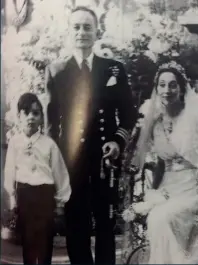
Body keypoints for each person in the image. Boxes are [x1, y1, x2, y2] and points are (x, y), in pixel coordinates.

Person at [44, 6, 136, 264]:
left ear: (97, 32)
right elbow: (52, 124)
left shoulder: (113, 69)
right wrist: (54, 166)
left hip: (105, 162)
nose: (82, 32)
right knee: (77, 227)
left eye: (87, 27)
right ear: (69, 32)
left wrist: (117, 141)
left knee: (106, 225)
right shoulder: (56, 71)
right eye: (76, 27)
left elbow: (129, 113)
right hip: (70, 164)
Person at [122, 61, 198, 264]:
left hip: (195, 187)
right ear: (157, 88)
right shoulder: (155, 123)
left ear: (182, 88)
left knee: (163, 218)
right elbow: (158, 163)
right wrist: (151, 193)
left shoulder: (196, 116)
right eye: (162, 85)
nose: (167, 90)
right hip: (169, 189)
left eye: (173, 85)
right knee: (157, 216)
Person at [4, 93, 71, 264]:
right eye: (26, 113)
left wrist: (60, 203)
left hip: (44, 197)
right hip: (24, 196)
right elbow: (10, 171)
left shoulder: (49, 144)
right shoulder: (15, 143)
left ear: (41, 118)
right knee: (28, 244)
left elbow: (60, 173)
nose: (30, 118)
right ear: (19, 117)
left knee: (44, 244)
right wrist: (12, 199)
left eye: (35, 113)